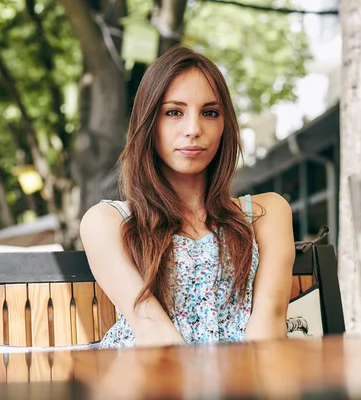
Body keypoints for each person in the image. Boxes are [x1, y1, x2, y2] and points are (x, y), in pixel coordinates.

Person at [79, 46, 295, 348]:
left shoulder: (267, 212)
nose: (193, 129)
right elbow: (153, 331)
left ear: (225, 124)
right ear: (148, 123)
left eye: (210, 113)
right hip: (152, 378)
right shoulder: (107, 221)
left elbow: (269, 324)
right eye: (173, 112)